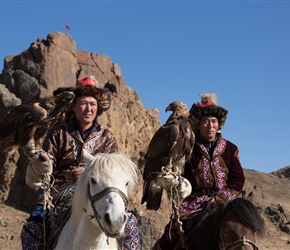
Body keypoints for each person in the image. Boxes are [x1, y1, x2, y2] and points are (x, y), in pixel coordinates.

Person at [21, 76, 139, 250]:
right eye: (83, 103)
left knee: (130, 225)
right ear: (74, 106)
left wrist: (88, 172)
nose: (88, 108)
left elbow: (114, 171)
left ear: (97, 107)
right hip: (60, 191)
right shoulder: (58, 133)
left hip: (98, 191)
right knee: (34, 225)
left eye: (92, 104)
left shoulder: (107, 137)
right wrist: (43, 163)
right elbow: (49, 164)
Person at [156, 93, 245, 250]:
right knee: (169, 238)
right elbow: (180, 173)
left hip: (225, 202)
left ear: (219, 124)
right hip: (194, 204)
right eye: (206, 122)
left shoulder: (231, 149)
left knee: (244, 232)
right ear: (197, 124)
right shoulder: (188, 146)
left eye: (214, 121)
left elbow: (238, 179)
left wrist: (221, 197)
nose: (210, 126)